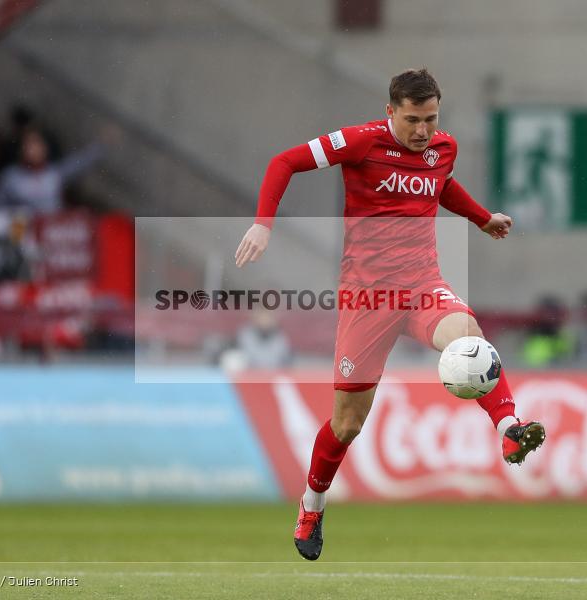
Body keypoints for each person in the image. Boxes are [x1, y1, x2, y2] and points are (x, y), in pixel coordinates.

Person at [234, 68, 546, 561]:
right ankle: (311, 506)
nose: (423, 131)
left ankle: (509, 430)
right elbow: (284, 161)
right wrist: (263, 224)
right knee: (347, 425)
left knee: (467, 335)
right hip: (367, 297)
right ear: (390, 112)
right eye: (413, 120)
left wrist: (482, 218)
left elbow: (440, 186)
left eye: (431, 119)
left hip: (422, 284)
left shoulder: (443, 148)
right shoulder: (359, 142)